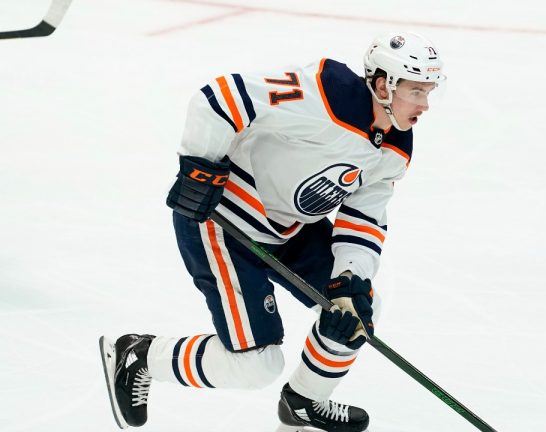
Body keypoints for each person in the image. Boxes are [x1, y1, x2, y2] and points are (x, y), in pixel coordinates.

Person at [99, 31, 445, 432]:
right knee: (255, 365)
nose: (425, 105)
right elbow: (220, 98)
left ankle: (301, 404)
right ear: (384, 84)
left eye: (429, 92)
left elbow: (364, 216)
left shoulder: (397, 145)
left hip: (289, 229)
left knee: (358, 309)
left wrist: (351, 278)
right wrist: (200, 167)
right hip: (222, 222)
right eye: (417, 91)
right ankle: (139, 356)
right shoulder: (325, 95)